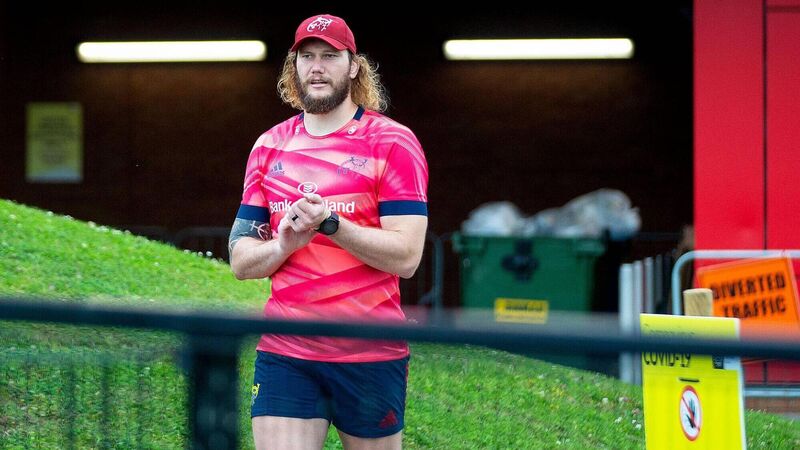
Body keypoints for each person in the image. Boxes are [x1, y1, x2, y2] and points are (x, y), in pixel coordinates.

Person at [228, 13, 429, 450]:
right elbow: (241, 261)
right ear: (294, 66)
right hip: (286, 351)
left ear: (353, 66)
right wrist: (283, 244)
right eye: (306, 57)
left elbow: (407, 257)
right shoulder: (268, 146)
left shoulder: (392, 142)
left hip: (370, 351)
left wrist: (331, 225)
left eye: (329, 56)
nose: (316, 67)